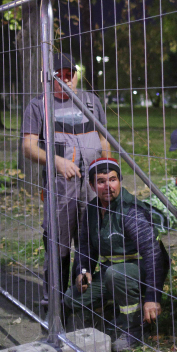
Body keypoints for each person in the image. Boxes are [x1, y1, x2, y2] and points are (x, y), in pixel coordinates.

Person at [21, 52, 110, 305]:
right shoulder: (38, 106)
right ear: (49, 80)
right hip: (60, 188)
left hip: (92, 188)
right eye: (60, 76)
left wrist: (109, 173)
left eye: (70, 76)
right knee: (58, 243)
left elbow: (104, 140)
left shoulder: (91, 101)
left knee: (90, 239)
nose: (67, 81)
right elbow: (28, 147)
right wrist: (56, 161)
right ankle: (55, 299)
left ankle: (81, 296)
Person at [65, 158, 170, 352]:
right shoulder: (92, 210)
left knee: (116, 274)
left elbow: (153, 254)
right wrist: (83, 270)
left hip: (142, 272)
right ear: (92, 185)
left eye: (113, 179)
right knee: (72, 298)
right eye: (101, 181)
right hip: (111, 274)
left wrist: (153, 296)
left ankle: (135, 327)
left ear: (120, 181)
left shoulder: (131, 212)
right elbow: (85, 246)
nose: (108, 186)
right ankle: (115, 312)